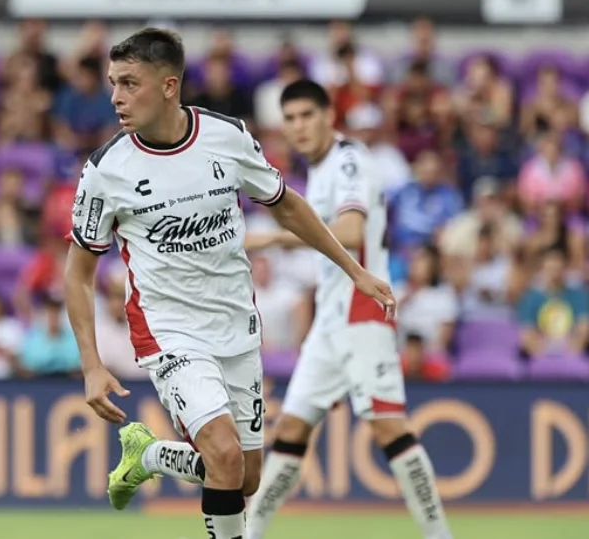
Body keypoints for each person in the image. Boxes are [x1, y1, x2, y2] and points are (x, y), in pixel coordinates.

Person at [63, 29, 393, 539]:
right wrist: (90, 364)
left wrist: (354, 269)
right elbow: (79, 272)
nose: (116, 98)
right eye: (113, 84)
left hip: (236, 326)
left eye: (130, 83)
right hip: (168, 329)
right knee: (221, 452)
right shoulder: (106, 171)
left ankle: (146, 454)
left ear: (169, 85)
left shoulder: (226, 137)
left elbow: (286, 205)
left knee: (244, 476)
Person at [243, 80, 452, 539]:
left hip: (362, 310)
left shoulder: (349, 160)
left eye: (306, 115)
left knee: (387, 427)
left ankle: (441, 536)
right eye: (290, 119)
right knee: (292, 428)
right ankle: (249, 534)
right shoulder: (318, 170)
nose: (298, 127)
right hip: (330, 320)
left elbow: (352, 231)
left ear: (328, 116)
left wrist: (273, 237)